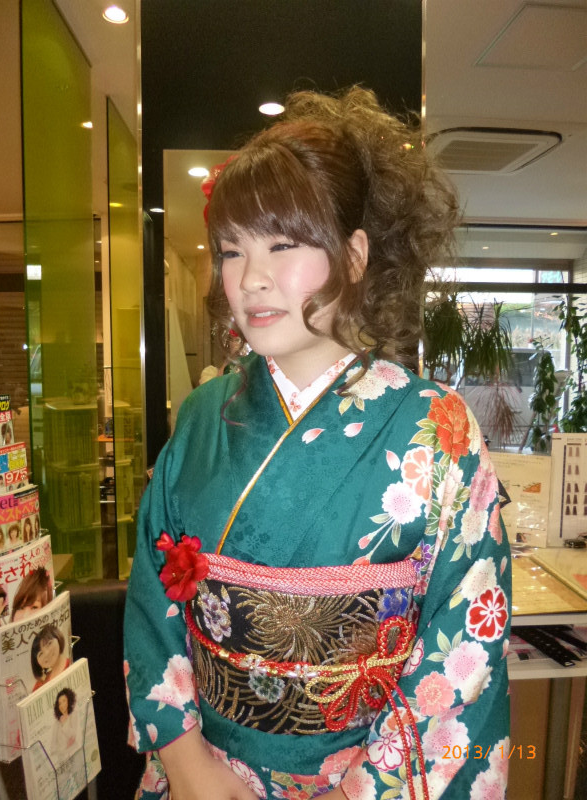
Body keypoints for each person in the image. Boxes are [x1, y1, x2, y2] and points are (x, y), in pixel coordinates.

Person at [124, 87, 511, 800]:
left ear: (354, 256)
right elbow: (153, 598)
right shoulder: (204, 416)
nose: (251, 278)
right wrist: (186, 764)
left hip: (361, 778)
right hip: (204, 771)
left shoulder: (440, 430)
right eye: (231, 250)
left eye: (283, 244)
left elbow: (465, 642)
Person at [30, 623, 69, 691]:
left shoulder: (72, 664)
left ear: (58, 638)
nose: (47, 653)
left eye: (49, 643)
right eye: (40, 654)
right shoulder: (40, 686)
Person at [50, 687, 81, 766]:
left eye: (64, 701)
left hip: (74, 754)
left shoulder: (73, 715)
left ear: (69, 701)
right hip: (61, 759)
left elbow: (73, 735)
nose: (62, 705)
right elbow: (53, 744)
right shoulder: (56, 724)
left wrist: (64, 724)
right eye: (59, 703)